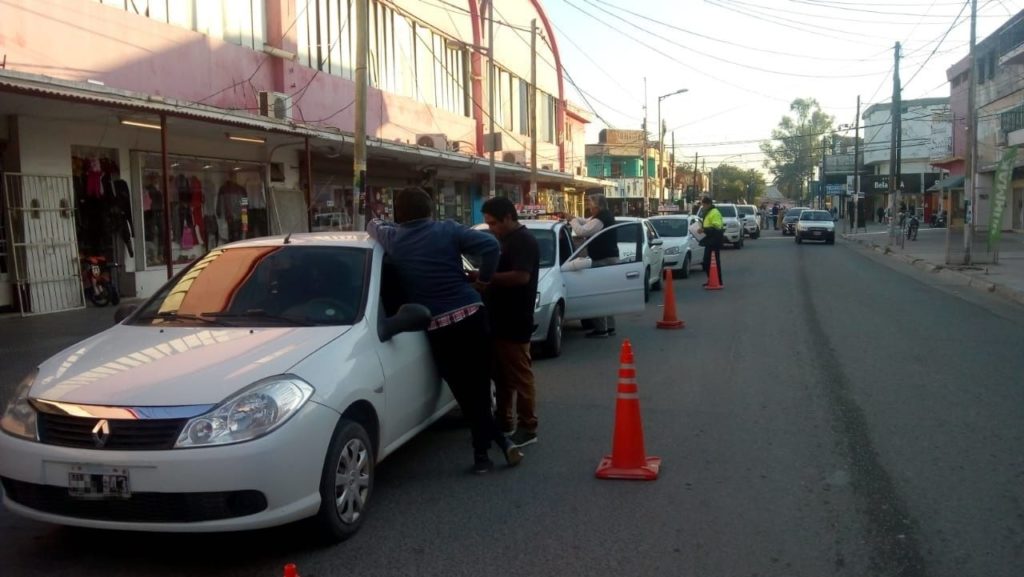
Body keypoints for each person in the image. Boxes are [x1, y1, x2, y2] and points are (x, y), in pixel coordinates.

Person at [367, 187, 523, 474]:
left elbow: (372, 225)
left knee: (464, 391)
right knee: (478, 386)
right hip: (473, 314)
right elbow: (491, 246)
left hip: (440, 326)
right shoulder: (447, 230)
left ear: (399, 214)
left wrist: (385, 223)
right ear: (430, 211)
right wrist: (484, 280)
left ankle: (486, 454)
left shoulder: (395, 239)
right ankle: (494, 446)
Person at [480, 197, 540, 448]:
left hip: (515, 319)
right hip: (498, 318)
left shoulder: (524, 241)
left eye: (494, 223)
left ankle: (528, 426)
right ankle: (504, 422)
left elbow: (521, 277)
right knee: (501, 376)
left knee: (520, 375)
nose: (491, 228)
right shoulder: (503, 240)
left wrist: (487, 279)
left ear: (508, 217)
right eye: (488, 224)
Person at [569, 194, 619, 338]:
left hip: (603, 260)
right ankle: (610, 327)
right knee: (607, 295)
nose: (589, 209)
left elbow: (582, 231)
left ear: (598, 207)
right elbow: (586, 222)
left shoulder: (601, 219)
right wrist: (573, 218)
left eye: (591, 206)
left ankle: (601, 329)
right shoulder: (604, 216)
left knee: (598, 294)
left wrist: (572, 220)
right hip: (608, 258)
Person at [698, 196, 724, 286]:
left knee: (713, 262)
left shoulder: (714, 213)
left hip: (714, 241)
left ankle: (718, 281)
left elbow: (717, 227)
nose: (703, 207)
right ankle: (712, 279)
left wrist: (704, 230)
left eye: (703, 205)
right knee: (707, 262)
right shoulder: (708, 212)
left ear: (708, 204)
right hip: (709, 240)